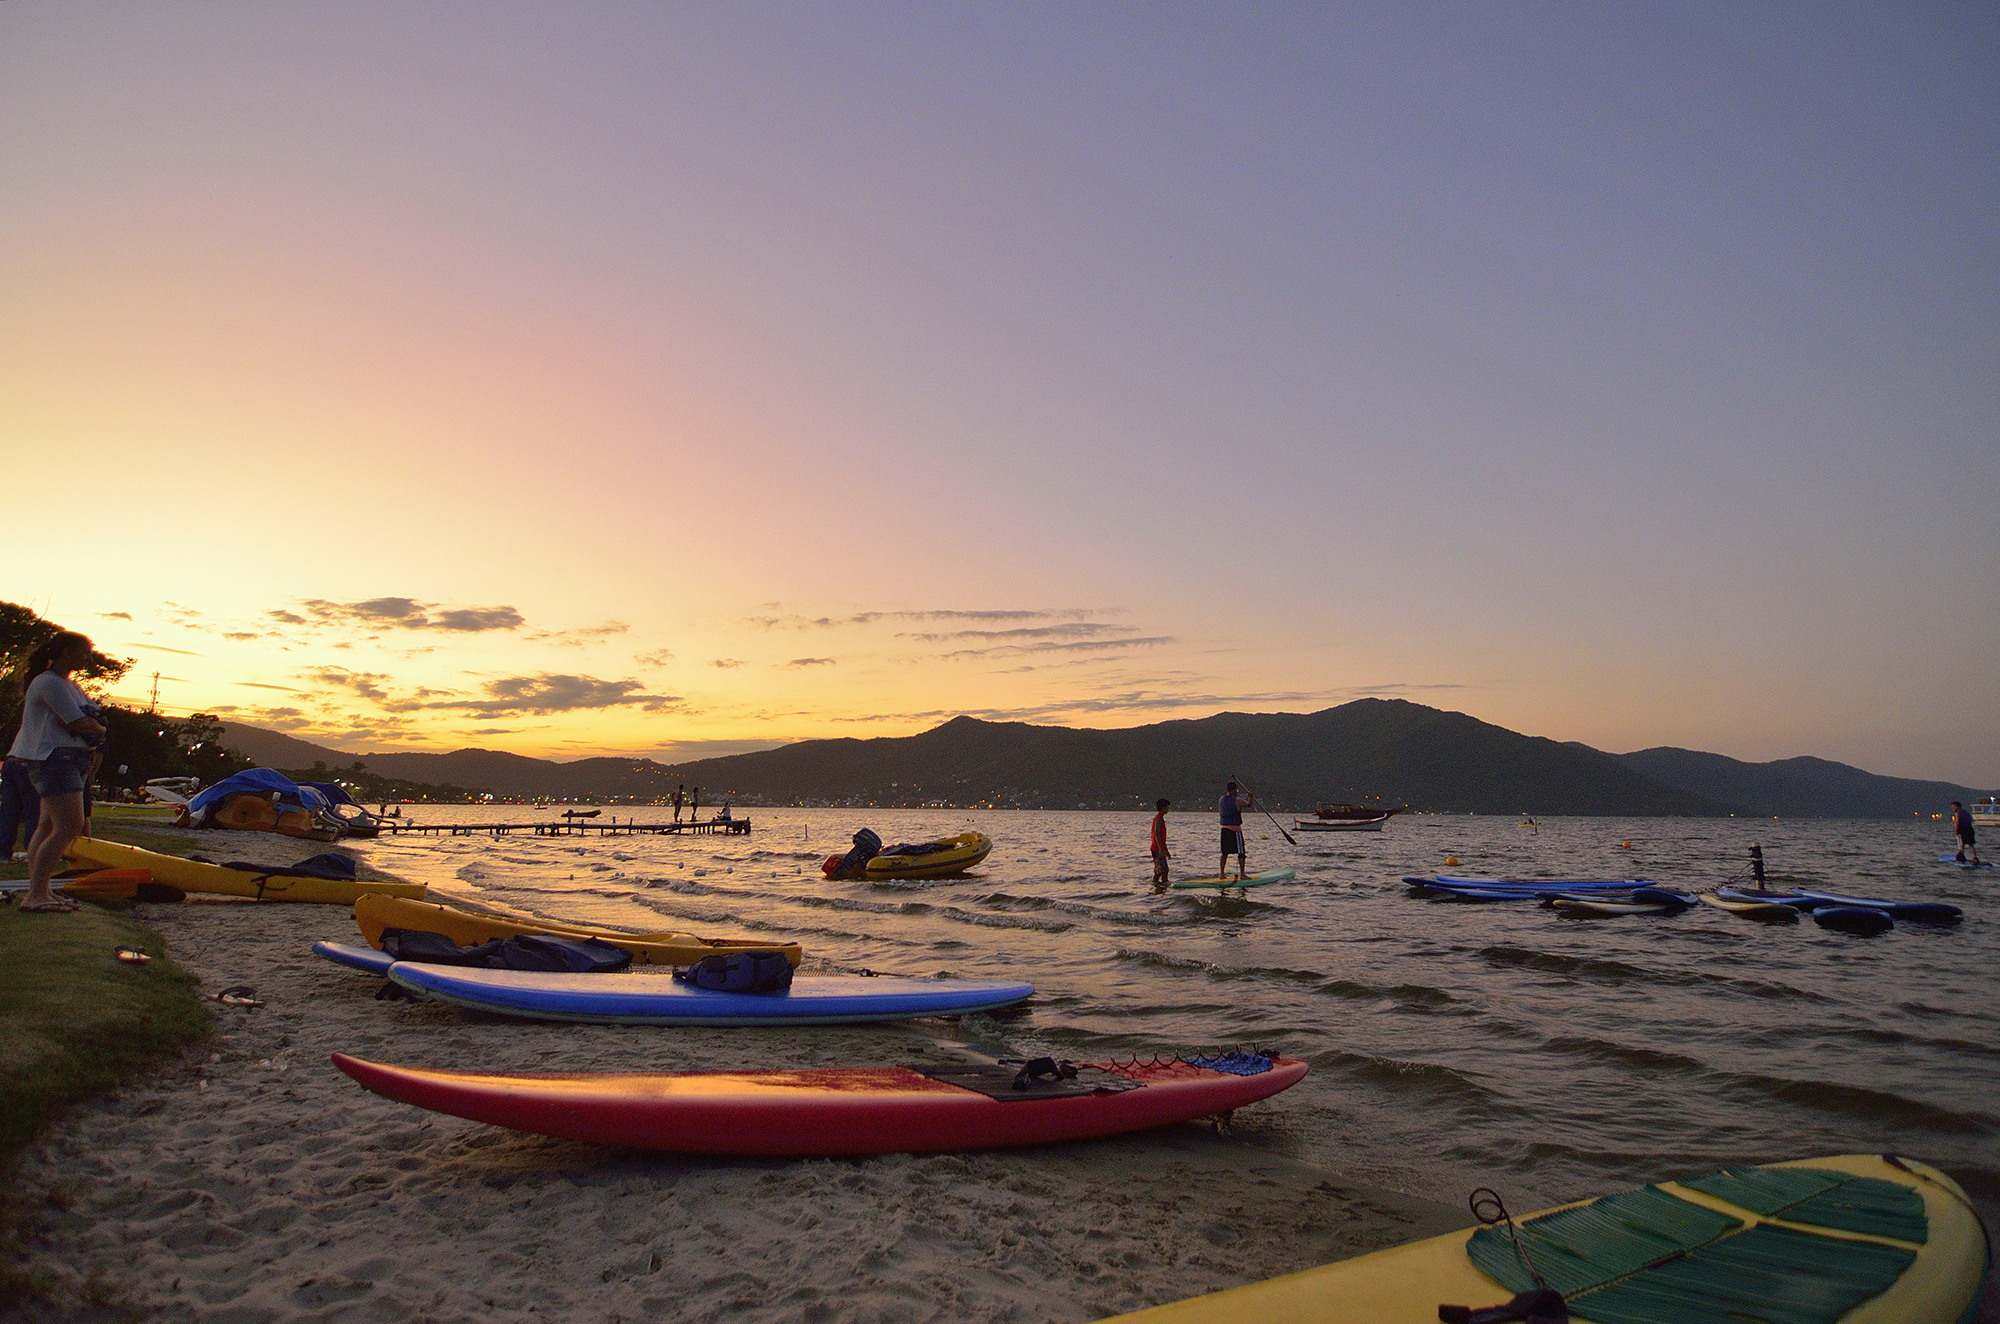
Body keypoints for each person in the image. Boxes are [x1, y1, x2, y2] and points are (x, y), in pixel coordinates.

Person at [8, 632, 108, 913]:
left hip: (68, 757)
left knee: (48, 826)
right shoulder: (48, 682)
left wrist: (94, 724)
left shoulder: (69, 686)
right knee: (69, 825)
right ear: (66, 652)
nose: (88, 657)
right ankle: (36, 895)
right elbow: (79, 722)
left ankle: (40, 890)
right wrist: (97, 727)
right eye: (83, 651)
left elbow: (95, 716)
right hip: (53, 758)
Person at [0, 755, 40, 862]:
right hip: (30, 761)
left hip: (10, 761)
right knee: (34, 812)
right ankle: (34, 850)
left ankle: (3, 852)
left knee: (8, 812)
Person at [1217, 781, 1251, 880]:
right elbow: (1249, 805)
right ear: (1234, 790)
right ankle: (1242, 874)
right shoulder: (1238, 800)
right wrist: (1251, 797)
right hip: (1235, 830)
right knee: (1241, 852)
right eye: (1236, 790)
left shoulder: (1221, 800)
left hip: (1224, 829)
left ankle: (1222, 874)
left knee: (1224, 852)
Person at [1149, 798, 1171, 885]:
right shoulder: (1158, 819)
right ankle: (1159, 886)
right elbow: (1157, 834)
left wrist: (1166, 851)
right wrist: (1161, 850)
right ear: (1163, 808)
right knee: (1161, 870)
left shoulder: (1161, 818)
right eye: (1167, 807)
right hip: (1156, 849)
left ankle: (1162, 886)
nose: (1168, 809)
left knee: (1162, 870)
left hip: (1159, 848)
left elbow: (1162, 838)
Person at [1950, 801, 1979, 865]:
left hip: (1963, 829)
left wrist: (1956, 831)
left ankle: (1961, 856)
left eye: (1953, 806)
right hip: (1969, 828)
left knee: (1961, 843)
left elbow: (1958, 822)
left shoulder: (1958, 812)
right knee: (1970, 843)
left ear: (1957, 806)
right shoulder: (1966, 812)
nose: (1953, 808)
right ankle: (1975, 857)